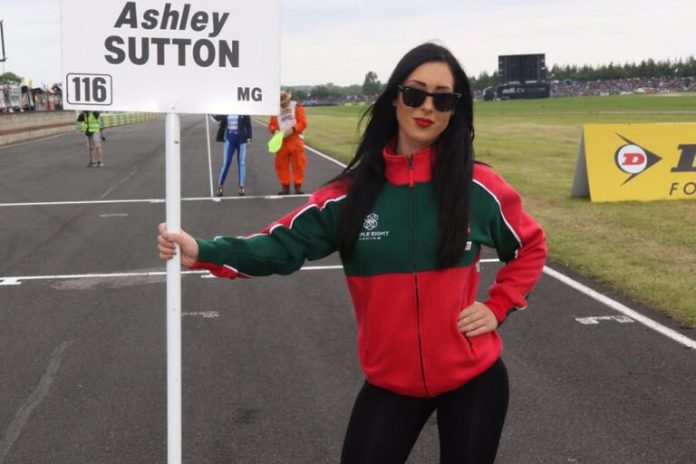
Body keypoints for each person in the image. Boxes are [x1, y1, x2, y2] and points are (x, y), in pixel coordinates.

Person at [157, 42, 547, 464]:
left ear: (455, 110)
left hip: (474, 379)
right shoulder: (349, 197)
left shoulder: (478, 187)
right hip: (390, 385)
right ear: (394, 98)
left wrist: (498, 306)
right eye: (415, 93)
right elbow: (280, 244)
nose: (427, 107)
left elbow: (530, 245)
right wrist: (205, 251)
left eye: (443, 98)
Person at [268, 90, 307, 194]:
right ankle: (285, 186)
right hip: (282, 141)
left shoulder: (296, 106)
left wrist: (292, 130)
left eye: (284, 102)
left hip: (295, 138)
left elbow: (303, 122)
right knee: (281, 164)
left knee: (299, 163)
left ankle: (298, 186)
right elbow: (271, 125)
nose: (283, 104)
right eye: (281, 103)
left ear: (288, 99)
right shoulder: (275, 110)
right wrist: (274, 130)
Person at [213, 114, 252, 196]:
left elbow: (248, 124)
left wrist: (249, 138)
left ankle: (241, 186)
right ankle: (220, 186)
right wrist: (210, 113)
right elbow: (217, 118)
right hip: (230, 140)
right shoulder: (227, 108)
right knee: (226, 163)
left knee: (241, 162)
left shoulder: (243, 110)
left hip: (241, 140)